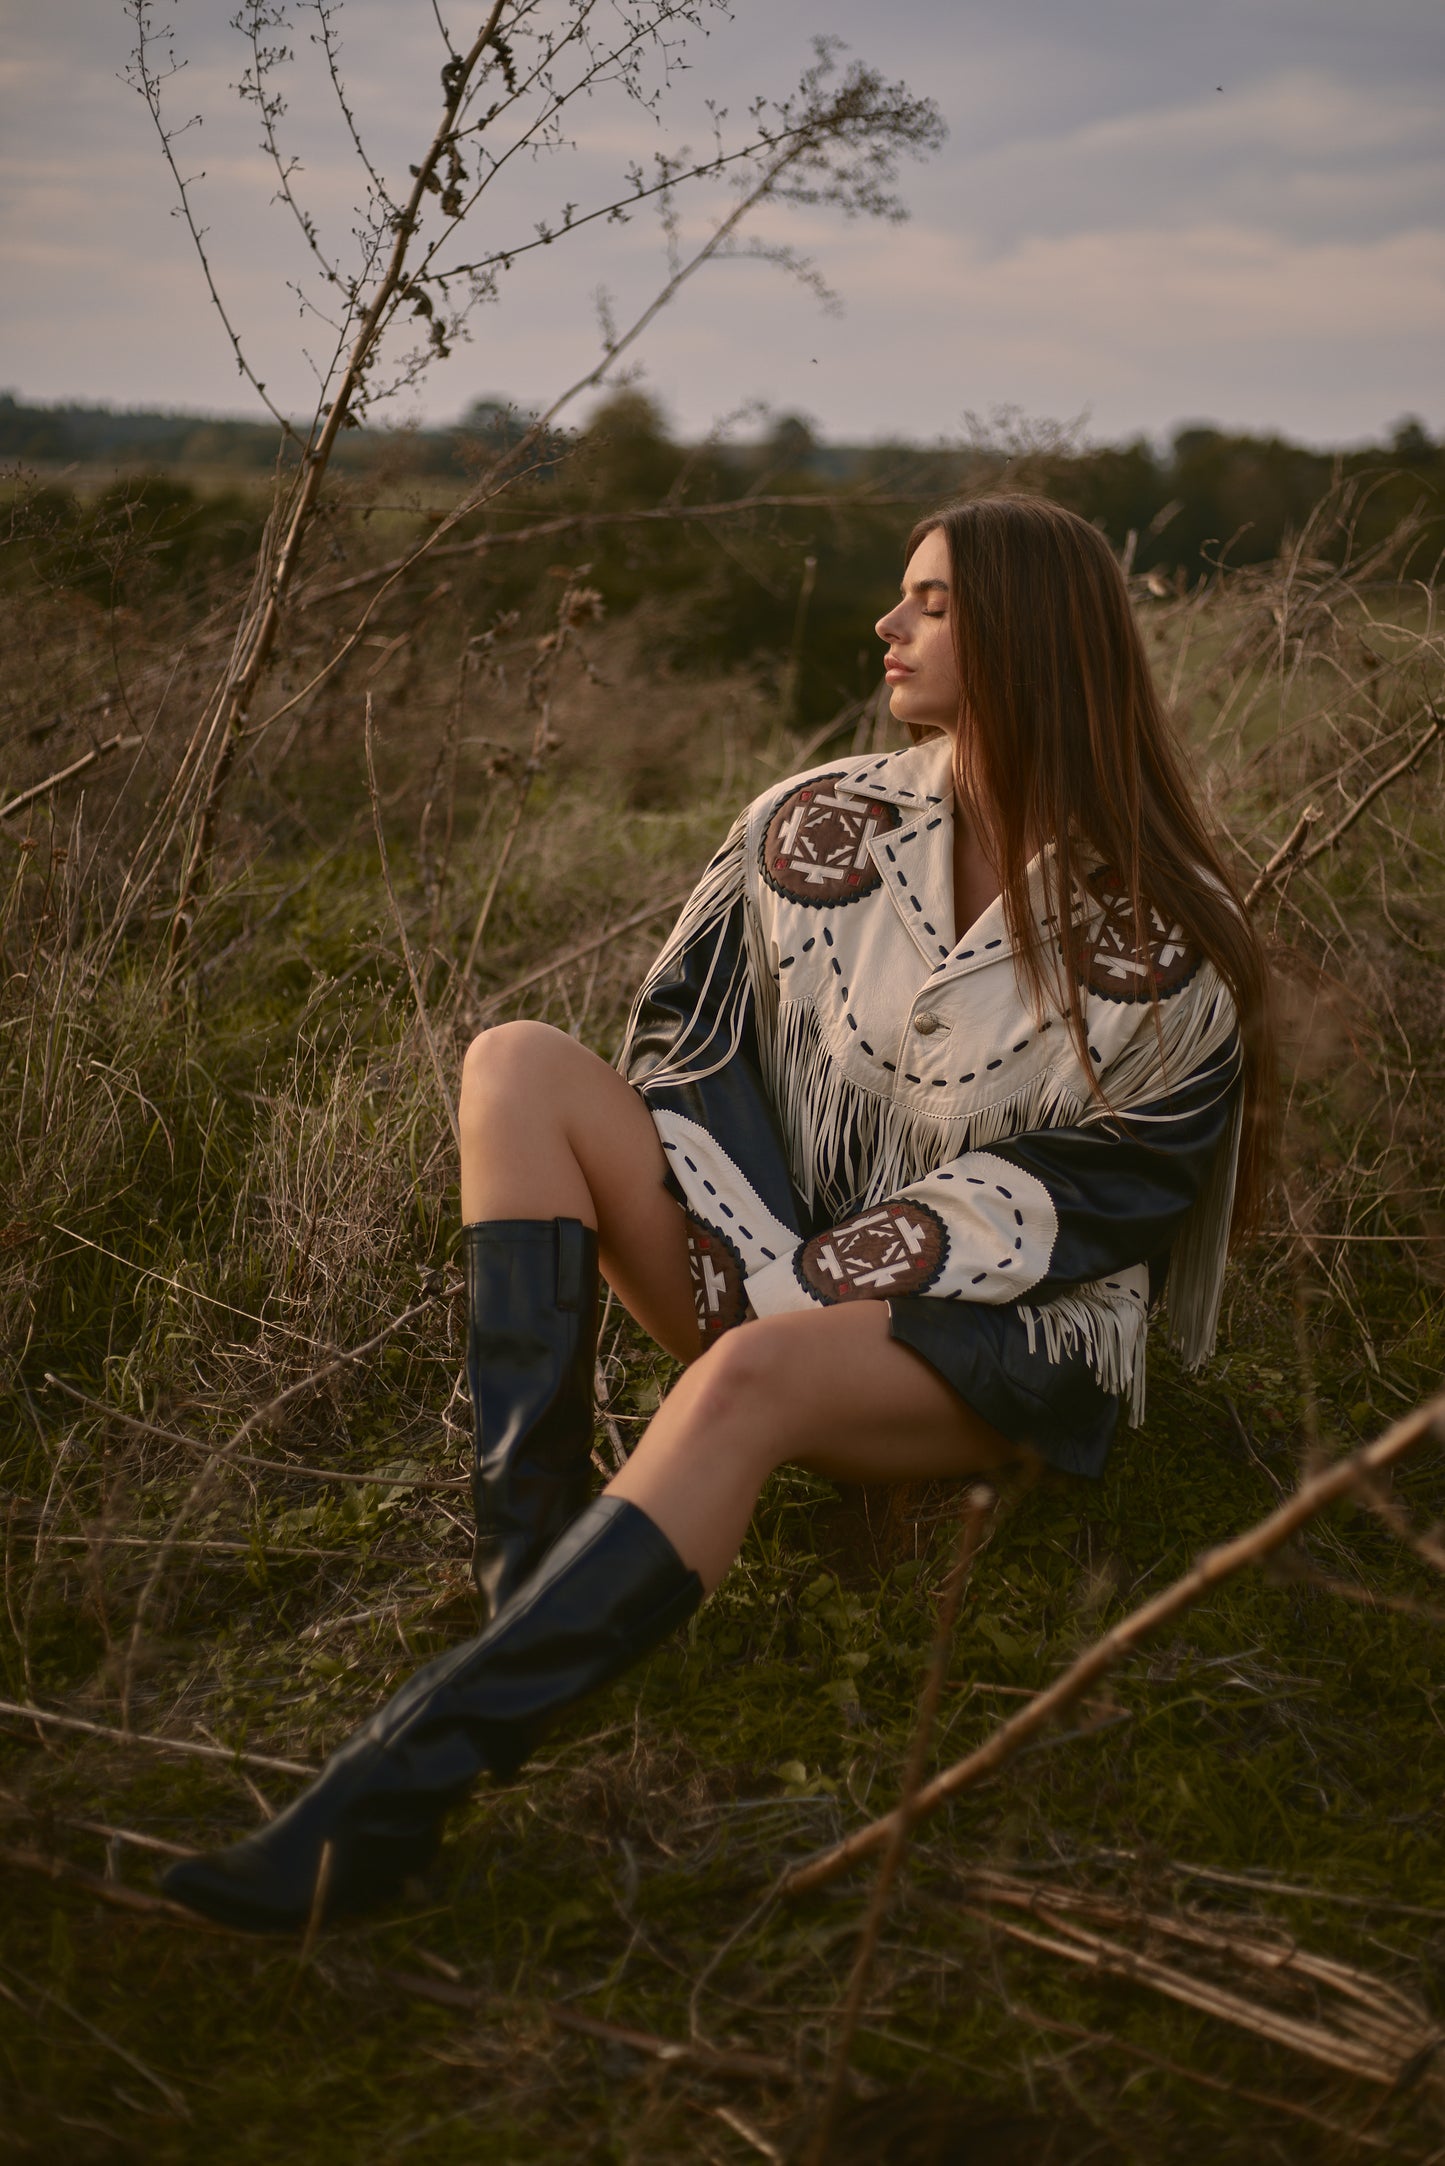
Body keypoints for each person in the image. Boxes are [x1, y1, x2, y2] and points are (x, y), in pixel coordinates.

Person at [162, 497, 1272, 1933]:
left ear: (1029, 633)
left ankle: (384, 1803)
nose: (891, 624)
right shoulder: (812, 823)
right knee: (516, 1065)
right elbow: (685, 1046)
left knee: (751, 1369)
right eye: (901, 593)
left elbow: (1122, 1190)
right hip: (770, 1262)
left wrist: (831, 1281)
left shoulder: (1167, 936)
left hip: (998, 1342)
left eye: (930, 601)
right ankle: (532, 1583)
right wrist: (767, 1255)